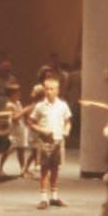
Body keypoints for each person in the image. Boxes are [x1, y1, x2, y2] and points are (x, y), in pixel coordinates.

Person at [28, 76, 72, 208]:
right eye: (46, 89)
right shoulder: (40, 106)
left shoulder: (63, 105)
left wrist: (66, 131)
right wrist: (42, 130)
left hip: (58, 140)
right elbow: (30, 122)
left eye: (51, 89)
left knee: (55, 169)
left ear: (57, 90)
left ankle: (54, 197)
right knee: (44, 170)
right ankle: (43, 198)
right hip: (44, 141)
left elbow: (68, 121)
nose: (48, 91)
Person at [0, 83, 33, 177]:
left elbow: (21, 115)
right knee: (8, 150)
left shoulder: (18, 103)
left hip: (20, 129)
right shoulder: (9, 105)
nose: (19, 94)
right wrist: (25, 110)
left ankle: (23, 170)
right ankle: (0, 168)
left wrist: (27, 117)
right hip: (13, 131)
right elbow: (15, 117)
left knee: (21, 150)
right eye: (17, 93)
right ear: (11, 94)